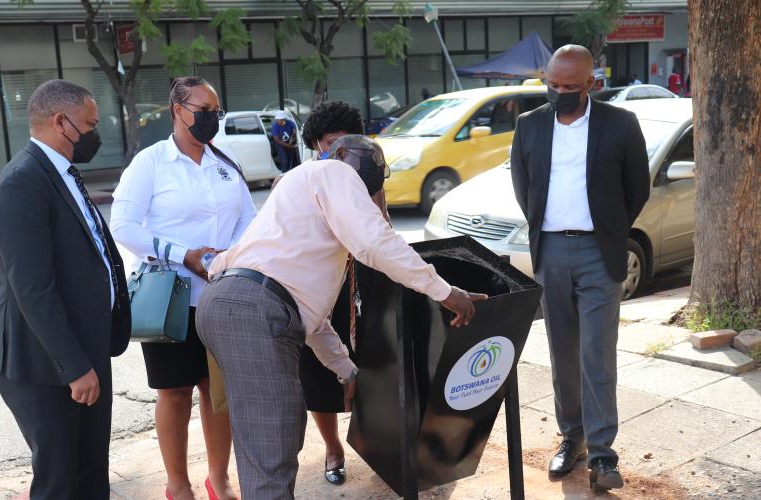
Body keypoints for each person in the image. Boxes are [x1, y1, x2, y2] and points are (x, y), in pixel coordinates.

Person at [196, 134, 488, 499]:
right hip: (252, 308)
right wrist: (447, 293)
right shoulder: (332, 171)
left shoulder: (309, 211)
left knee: (264, 434)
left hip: (232, 304)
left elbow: (312, 323)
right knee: (274, 441)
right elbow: (375, 242)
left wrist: (347, 371)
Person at [510, 45, 650, 492]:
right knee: (562, 353)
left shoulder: (620, 124)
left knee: (596, 354)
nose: (560, 93)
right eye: (553, 86)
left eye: (570, 87)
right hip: (550, 252)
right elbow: (523, 185)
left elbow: (637, 188)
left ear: (592, 83)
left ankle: (604, 456)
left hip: (598, 252)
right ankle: (572, 438)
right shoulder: (529, 125)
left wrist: (607, 230)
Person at [0, 79, 132, 499]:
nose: (95, 133)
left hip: (85, 353)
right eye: (89, 124)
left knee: (90, 476)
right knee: (59, 483)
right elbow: (33, 289)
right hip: (48, 367)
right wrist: (73, 366)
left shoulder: (63, 172)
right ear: (60, 121)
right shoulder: (22, 182)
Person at [110, 76, 249, 500]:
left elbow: (249, 219)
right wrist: (182, 253)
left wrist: (230, 256)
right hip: (170, 297)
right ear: (176, 111)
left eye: (215, 112)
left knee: (216, 391)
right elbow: (124, 227)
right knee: (174, 391)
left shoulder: (225, 163)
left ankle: (219, 479)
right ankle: (177, 484)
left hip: (221, 295)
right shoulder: (149, 164)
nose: (210, 119)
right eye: (201, 111)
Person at [294, 101, 383, 486]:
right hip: (316, 288)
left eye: (347, 142)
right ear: (317, 143)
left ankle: (379, 443)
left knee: (375, 365)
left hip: (361, 284)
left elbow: (382, 233)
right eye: (332, 142)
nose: (340, 151)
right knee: (318, 372)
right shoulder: (299, 179)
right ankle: (333, 447)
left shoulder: (366, 172)